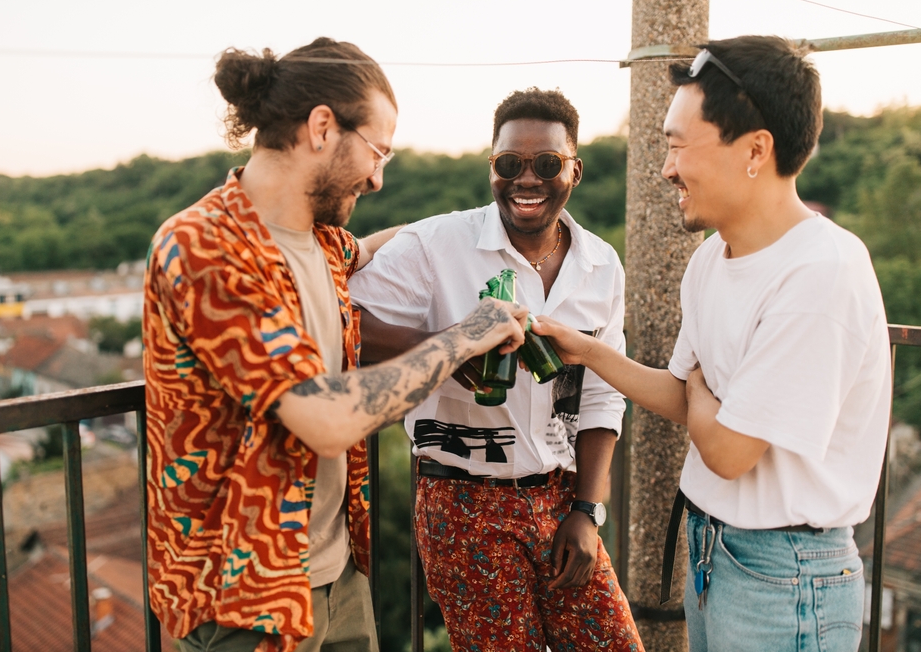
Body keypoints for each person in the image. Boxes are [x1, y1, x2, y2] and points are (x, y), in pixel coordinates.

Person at [142, 38, 529, 652]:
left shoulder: (322, 240)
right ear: (322, 126)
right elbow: (324, 418)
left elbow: (370, 246)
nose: (378, 177)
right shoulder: (203, 245)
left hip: (337, 577)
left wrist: (490, 224)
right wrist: (465, 336)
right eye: (378, 152)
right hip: (245, 598)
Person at [533, 36, 892, 651]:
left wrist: (702, 394)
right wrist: (586, 350)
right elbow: (684, 396)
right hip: (714, 552)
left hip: (786, 574)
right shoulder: (709, 260)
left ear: (756, 150)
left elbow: (727, 451)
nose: (666, 167)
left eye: (677, 145)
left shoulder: (820, 270)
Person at [350, 88, 643, 651]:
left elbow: (602, 395)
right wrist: (443, 347)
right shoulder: (437, 245)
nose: (526, 178)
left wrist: (587, 508)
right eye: (509, 163)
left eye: (547, 164)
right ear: (492, 168)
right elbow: (344, 319)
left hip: (561, 500)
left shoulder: (601, 263)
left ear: (575, 171)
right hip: (462, 501)